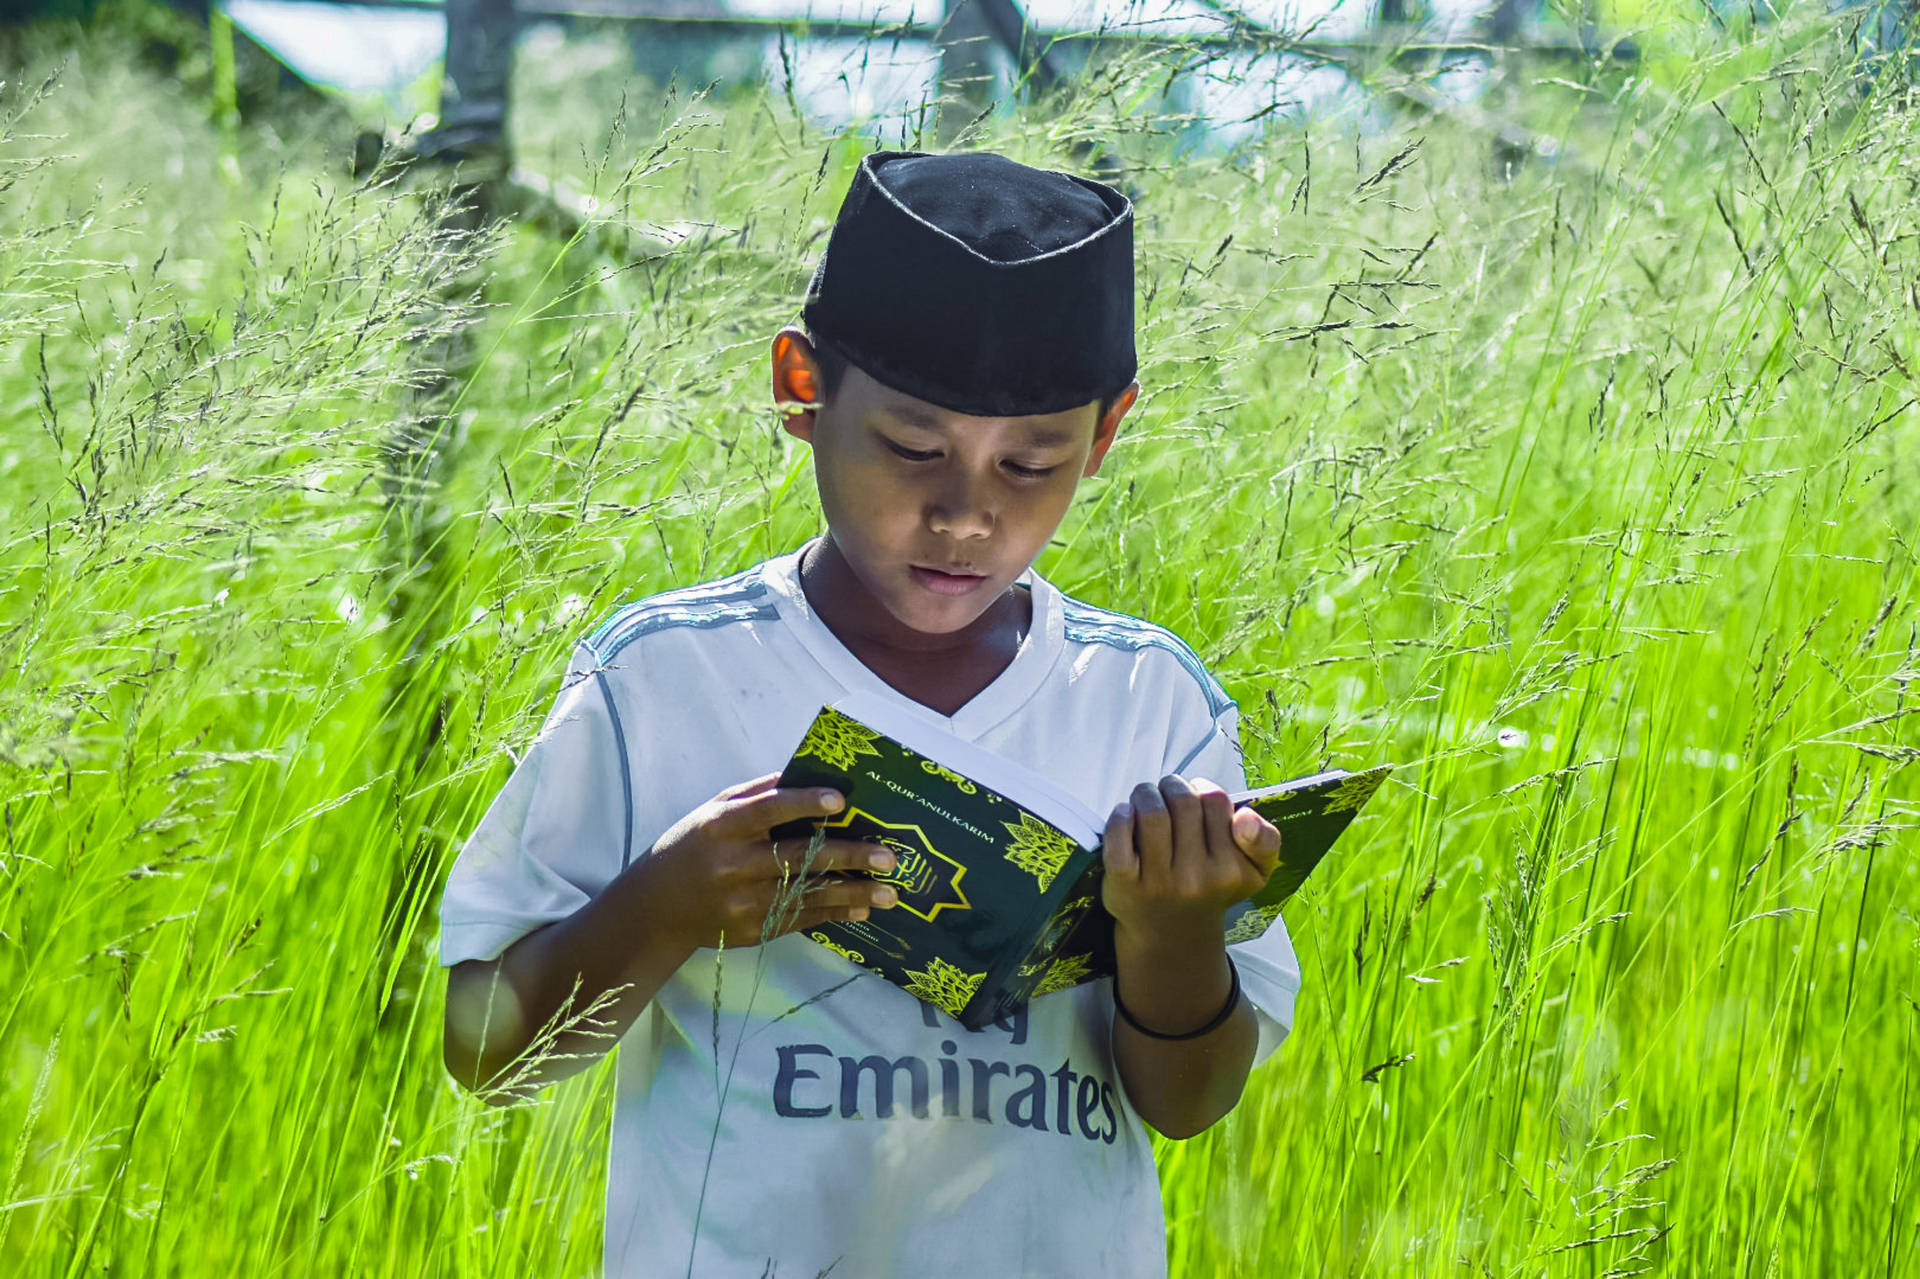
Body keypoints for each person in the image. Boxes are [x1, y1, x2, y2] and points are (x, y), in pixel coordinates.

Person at [439, 150, 1301, 1278]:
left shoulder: (1146, 704)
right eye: (912, 448)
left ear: (1104, 436)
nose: (965, 514)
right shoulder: (666, 678)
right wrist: (662, 905)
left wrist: (1173, 933)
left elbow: (1190, 1101)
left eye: (1031, 462)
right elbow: (482, 1049)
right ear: (803, 387)